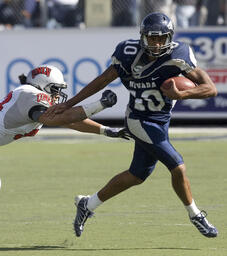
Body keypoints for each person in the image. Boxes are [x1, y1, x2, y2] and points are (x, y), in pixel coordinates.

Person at [46, 12, 218, 238]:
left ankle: (88, 204)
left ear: (170, 38)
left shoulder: (179, 54)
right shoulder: (127, 53)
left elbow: (210, 89)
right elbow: (102, 80)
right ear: (142, 37)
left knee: (137, 175)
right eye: (152, 38)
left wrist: (183, 95)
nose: (156, 44)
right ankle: (196, 215)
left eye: (161, 39)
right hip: (138, 119)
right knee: (177, 166)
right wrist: (69, 103)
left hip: (161, 121)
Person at [0, 64, 130, 146]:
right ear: (42, 84)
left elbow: (71, 122)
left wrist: (105, 130)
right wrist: (100, 104)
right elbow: (60, 119)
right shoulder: (30, 94)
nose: (58, 94)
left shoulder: (27, 95)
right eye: (55, 89)